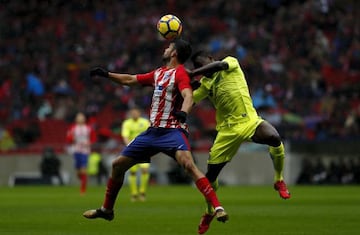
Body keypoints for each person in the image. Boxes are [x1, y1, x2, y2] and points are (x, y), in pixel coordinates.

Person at [83, 39, 228, 224]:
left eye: (169, 47)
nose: (166, 49)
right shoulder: (158, 73)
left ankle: (218, 208)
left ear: (174, 53)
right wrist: (106, 74)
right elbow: (130, 79)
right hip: (152, 133)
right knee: (117, 165)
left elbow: (188, 95)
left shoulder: (181, 73)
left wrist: (184, 112)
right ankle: (107, 210)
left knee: (188, 165)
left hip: (173, 131)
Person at [188, 50, 291, 234]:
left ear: (211, 59)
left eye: (202, 64)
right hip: (227, 131)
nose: (201, 69)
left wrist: (193, 74)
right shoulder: (205, 84)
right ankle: (210, 211)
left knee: (274, 137)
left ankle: (278, 179)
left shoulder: (229, 63)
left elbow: (219, 66)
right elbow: (190, 100)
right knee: (210, 178)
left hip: (249, 121)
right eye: (197, 67)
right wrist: (183, 87)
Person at [121, 107, 151, 202]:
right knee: (133, 172)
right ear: (130, 114)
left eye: (136, 112)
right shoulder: (127, 123)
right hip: (133, 150)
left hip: (144, 149)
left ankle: (142, 191)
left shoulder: (145, 122)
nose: (134, 114)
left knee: (145, 170)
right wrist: (129, 146)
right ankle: (134, 193)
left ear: (139, 113)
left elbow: (150, 134)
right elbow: (125, 136)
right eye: (132, 113)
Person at [66, 112, 97, 194]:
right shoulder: (72, 128)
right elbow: (69, 139)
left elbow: (94, 138)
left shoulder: (88, 128)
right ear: (76, 119)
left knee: (83, 169)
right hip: (76, 150)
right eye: (79, 117)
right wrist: (71, 138)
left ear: (84, 119)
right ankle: (82, 179)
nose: (81, 118)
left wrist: (89, 143)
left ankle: (83, 189)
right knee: (78, 172)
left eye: (82, 117)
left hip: (85, 151)